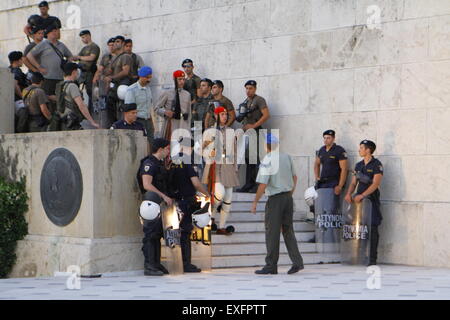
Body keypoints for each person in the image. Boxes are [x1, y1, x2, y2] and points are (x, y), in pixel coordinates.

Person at [251, 133, 304, 275]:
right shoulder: (286, 157)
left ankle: (271, 265)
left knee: (272, 232)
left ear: (266, 146)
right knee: (288, 231)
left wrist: (255, 201)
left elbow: (263, 183)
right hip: (288, 198)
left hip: (275, 200)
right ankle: (297, 262)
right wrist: (289, 193)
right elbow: (295, 177)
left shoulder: (267, 159)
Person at [344, 140, 384, 266]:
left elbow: (376, 184)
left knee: (372, 228)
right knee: (360, 228)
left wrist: (363, 195)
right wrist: (349, 194)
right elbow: (353, 183)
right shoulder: (359, 165)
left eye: (361, 148)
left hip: (371, 200)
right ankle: (359, 256)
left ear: (368, 150)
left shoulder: (377, 165)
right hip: (359, 202)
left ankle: (372, 259)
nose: (359, 150)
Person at [170, 151, 211, 272]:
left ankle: (177, 262)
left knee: (176, 233)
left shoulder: (171, 165)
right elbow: (196, 183)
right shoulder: (187, 164)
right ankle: (186, 264)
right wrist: (206, 194)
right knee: (185, 232)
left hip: (174, 202)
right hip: (186, 202)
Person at [202, 107, 240, 235]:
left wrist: (235, 167)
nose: (225, 116)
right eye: (222, 114)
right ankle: (211, 216)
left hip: (228, 166)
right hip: (215, 165)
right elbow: (202, 149)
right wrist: (209, 153)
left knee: (228, 198)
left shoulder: (231, 131)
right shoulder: (209, 132)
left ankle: (221, 226)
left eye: (226, 114)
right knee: (219, 194)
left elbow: (234, 151)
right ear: (216, 115)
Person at [137, 138, 173, 276]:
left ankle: (156, 263)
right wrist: (163, 196)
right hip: (151, 203)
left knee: (157, 233)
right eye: (167, 149)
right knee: (151, 234)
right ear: (161, 149)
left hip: (158, 204)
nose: (168, 152)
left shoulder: (159, 163)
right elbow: (147, 184)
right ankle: (149, 265)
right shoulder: (149, 163)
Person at [26, 23, 73, 118]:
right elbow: (29, 56)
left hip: (59, 77)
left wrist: (66, 65)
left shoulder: (61, 45)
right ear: (48, 33)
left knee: (59, 100)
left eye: (56, 31)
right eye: (53, 31)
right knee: (46, 99)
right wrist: (38, 68)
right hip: (47, 78)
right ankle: (49, 120)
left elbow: (70, 56)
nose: (55, 33)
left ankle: (59, 119)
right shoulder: (43, 44)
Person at [237, 80, 271, 193]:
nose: (248, 90)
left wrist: (254, 125)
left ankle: (258, 185)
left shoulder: (259, 100)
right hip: (247, 133)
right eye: (246, 88)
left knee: (256, 160)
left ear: (255, 89)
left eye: (250, 88)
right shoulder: (246, 101)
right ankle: (249, 184)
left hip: (256, 131)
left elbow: (266, 115)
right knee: (248, 159)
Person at [102, 35, 133, 127]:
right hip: (115, 85)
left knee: (122, 106)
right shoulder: (114, 58)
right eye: (115, 42)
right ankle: (113, 125)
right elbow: (109, 72)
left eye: (118, 42)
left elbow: (125, 71)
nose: (115, 44)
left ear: (123, 43)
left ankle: (124, 124)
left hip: (124, 84)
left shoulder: (125, 56)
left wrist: (112, 78)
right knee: (109, 103)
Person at [58, 63, 99, 130]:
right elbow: (81, 105)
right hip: (73, 122)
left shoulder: (60, 86)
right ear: (74, 72)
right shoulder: (72, 86)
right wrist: (92, 122)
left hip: (63, 121)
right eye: (77, 71)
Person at [155, 70, 191, 140]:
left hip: (183, 124)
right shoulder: (167, 93)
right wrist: (165, 112)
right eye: (180, 79)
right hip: (171, 124)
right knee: (170, 146)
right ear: (174, 79)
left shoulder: (187, 94)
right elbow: (156, 108)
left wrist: (188, 128)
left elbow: (189, 113)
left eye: (183, 79)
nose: (182, 82)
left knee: (183, 147)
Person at [124, 66, 155, 147]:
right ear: (140, 76)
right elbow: (129, 109)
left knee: (151, 144)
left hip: (148, 121)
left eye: (150, 77)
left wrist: (152, 123)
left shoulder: (148, 88)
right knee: (140, 145)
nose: (149, 80)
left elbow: (149, 106)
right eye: (146, 77)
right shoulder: (131, 90)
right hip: (137, 121)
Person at [73, 30, 100, 114]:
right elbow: (77, 57)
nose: (83, 39)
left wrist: (79, 57)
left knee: (91, 92)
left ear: (88, 36)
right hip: (83, 73)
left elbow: (91, 58)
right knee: (78, 90)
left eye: (84, 37)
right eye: (82, 38)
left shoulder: (94, 47)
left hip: (90, 73)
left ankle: (94, 111)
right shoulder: (84, 48)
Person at [314, 130, 348, 194]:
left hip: (334, 184)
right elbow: (316, 164)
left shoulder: (339, 150)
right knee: (322, 203)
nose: (326, 140)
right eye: (324, 138)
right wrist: (317, 177)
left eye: (328, 138)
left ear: (333, 139)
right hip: (322, 183)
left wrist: (340, 186)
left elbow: (344, 169)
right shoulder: (322, 150)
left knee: (331, 203)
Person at [8, 51, 30, 133]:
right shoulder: (16, 70)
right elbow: (14, 84)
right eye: (21, 59)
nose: (22, 61)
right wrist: (22, 96)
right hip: (18, 99)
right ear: (16, 61)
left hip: (11, 100)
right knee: (25, 111)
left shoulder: (9, 69)